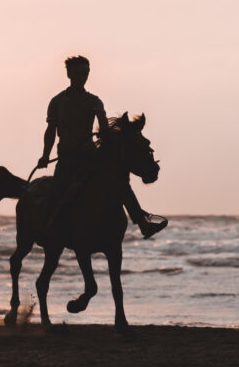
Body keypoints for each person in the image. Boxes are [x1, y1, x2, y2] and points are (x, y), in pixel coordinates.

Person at [38, 55, 166, 239]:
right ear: (69, 74)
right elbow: (50, 131)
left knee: (120, 183)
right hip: (67, 156)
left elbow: (104, 127)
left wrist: (108, 138)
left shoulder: (94, 101)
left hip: (90, 154)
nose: (83, 76)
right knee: (58, 188)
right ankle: (46, 229)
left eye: (86, 73)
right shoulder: (57, 102)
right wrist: (44, 156)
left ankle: (143, 224)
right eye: (79, 73)